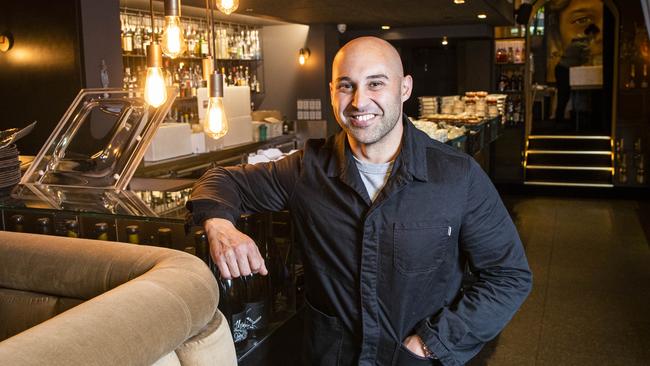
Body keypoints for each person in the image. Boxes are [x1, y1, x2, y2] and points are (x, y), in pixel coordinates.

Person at [187, 36, 532, 366]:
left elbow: (508, 276)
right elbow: (220, 179)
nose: (359, 101)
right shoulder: (307, 169)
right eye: (346, 85)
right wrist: (218, 223)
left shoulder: (458, 176)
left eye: (376, 83)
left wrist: (431, 344)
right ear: (332, 92)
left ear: (405, 88)